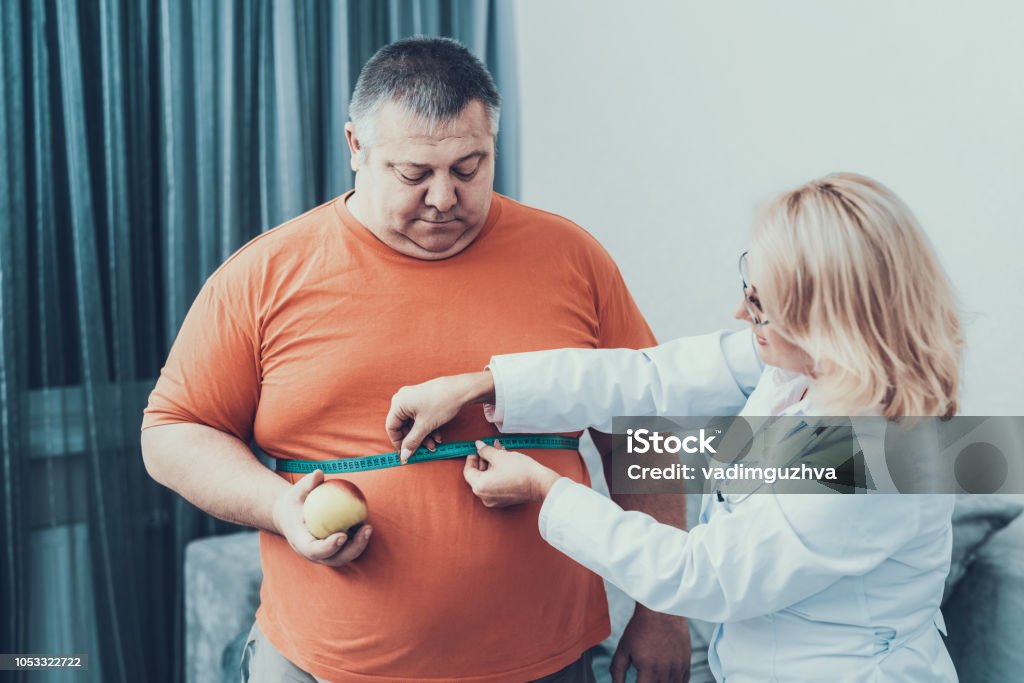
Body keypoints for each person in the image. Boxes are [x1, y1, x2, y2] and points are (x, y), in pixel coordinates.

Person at [140, 37, 721, 683]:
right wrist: (280, 506)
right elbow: (172, 432)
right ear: (356, 147)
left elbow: (644, 427)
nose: (444, 197)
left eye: (470, 167)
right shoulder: (264, 274)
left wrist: (663, 607)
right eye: (415, 173)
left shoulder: (571, 256)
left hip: (546, 663)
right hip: (321, 665)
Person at [386, 173, 964, 681]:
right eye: (748, 286)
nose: (742, 314)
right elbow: (648, 378)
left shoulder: (874, 454)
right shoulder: (805, 369)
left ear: (827, 320)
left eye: (762, 304)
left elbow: (703, 574)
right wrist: (485, 385)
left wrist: (547, 492)